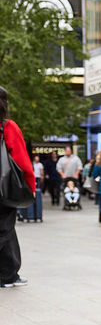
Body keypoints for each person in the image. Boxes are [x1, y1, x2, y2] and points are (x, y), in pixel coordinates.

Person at [0, 85, 35, 288]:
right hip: (4, 190)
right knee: (4, 230)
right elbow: (22, 162)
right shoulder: (7, 127)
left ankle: (9, 274)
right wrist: (29, 187)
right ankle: (8, 275)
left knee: (7, 231)